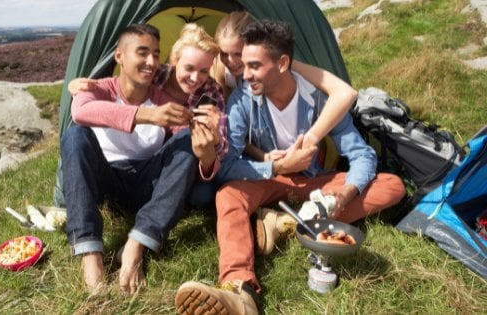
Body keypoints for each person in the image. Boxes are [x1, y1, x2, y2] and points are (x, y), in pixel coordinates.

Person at [174, 20, 406, 314]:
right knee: (228, 195)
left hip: (314, 185)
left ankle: (285, 223)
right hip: (269, 180)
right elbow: (227, 165)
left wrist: (344, 196)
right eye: (243, 65)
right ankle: (239, 289)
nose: (244, 75)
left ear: (282, 63)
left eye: (254, 66)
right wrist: (279, 167)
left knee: (392, 185)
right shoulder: (242, 101)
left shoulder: (318, 98)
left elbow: (361, 155)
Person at [61, 23, 223, 295]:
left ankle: (137, 244)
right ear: (119, 56)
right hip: (107, 182)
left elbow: (193, 152)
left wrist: (208, 146)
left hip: (148, 186)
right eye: (142, 52)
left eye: (156, 54)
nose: (150, 62)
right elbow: (80, 110)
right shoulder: (100, 88)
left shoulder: (165, 101)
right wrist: (145, 116)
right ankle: (91, 255)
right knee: (75, 135)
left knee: (185, 141)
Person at [68, 23, 227, 208]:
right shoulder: (152, 74)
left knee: (202, 194)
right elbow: (116, 86)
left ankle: (164, 203)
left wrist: (214, 139)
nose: (195, 78)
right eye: (189, 68)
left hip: (177, 156)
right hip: (143, 152)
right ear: (174, 61)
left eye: (204, 71)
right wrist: (77, 87)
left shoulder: (211, 92)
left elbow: (217, 150)